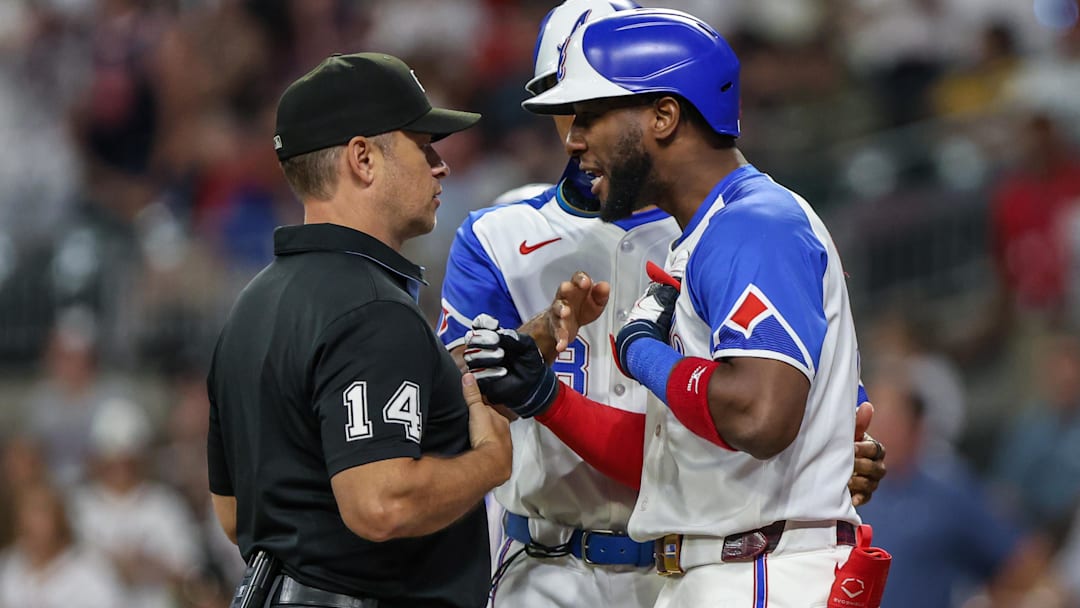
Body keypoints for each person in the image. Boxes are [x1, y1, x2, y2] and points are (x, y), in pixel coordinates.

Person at [443, 4, 885, 607]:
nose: (573, 137)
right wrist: (546, 397)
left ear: (664, 115)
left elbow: (760, 417)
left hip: (758, 566)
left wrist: (642, 352)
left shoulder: (753, 225)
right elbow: (675, 455)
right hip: (699, 563)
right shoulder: (710, 233)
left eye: (591, 115)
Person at [206, 52, 512, 608]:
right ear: (363, 158)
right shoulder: (373, 311)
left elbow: (233, 513)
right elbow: (381, 504)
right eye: (423, 145)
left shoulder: (252, 305)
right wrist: (490, 463)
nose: (440, 165)